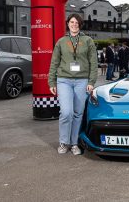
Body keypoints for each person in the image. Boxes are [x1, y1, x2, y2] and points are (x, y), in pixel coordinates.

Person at [48, 14, 97, 155]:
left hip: (82, 81)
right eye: (71, 22)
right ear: (68, 24)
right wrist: (51, 81)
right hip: (64, 80)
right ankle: (63, 142)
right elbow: (54, 62)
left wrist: (91, 81)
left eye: (77, 22)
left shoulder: (88, 40)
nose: (74, 24)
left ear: (80, 25)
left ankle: (74, 143)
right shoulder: (61, 41)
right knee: (66, 112)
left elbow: (93, 63)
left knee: (77, 114)